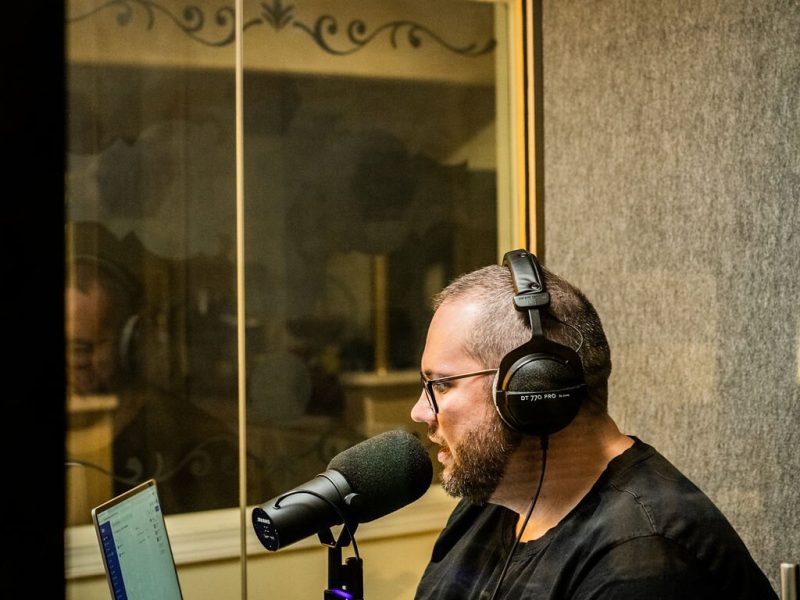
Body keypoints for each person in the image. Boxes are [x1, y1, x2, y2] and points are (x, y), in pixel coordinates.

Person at [410, 249, 777, 599]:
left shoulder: (644, 560)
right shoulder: (488, 505)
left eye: (441, 384)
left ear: (534, 389)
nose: (420, 412)